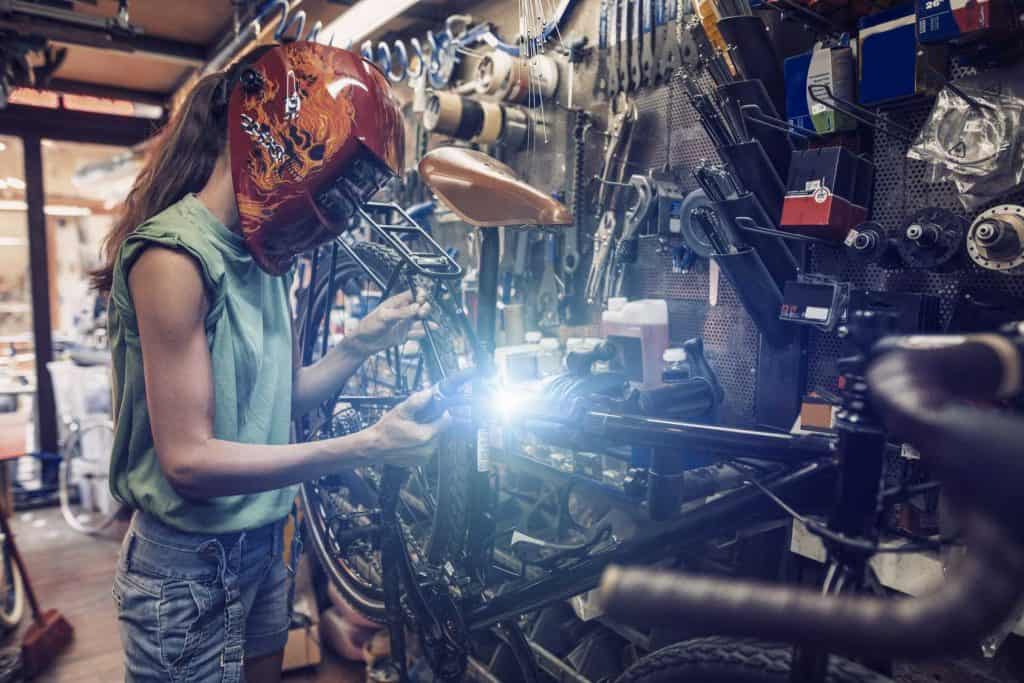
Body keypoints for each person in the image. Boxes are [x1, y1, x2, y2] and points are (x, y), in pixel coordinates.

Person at [90, 42, 449, 683]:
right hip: (188, 569)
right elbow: (190, 462)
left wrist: (360, 343)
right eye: (335, 179)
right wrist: (365, 446)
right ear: (277, 140)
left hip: (263, 543)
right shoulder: (174, 258)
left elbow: (273, 405)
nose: (335, 205)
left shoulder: (262, 256)